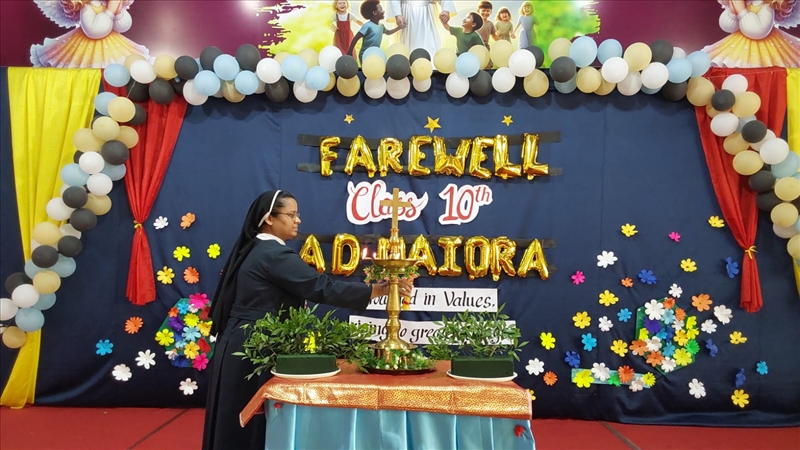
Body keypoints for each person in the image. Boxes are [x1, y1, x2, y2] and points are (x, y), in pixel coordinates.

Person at [202, 190, 414, 450]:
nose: (298, 220)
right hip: (254, 345)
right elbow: (321, 287)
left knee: (235, 421)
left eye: (297, 214)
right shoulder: (273, 254)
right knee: (250, 425)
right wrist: (379, 290)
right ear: (269, 218)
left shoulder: (255, 248)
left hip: (241, 341)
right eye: (291, 215)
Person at [31, 0, 150, 68]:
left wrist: (117, 12)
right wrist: (110, 12)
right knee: (87, 71)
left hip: (113, 45)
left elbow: (123, 26)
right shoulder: (86, 7)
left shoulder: (108, 3)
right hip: (85, 46)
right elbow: (94, 31)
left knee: (116, 69)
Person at [702, 0, 800, 68]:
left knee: (762, 71)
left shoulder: (767, 6)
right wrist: (733, 13)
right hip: (738, 45)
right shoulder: (742, 2)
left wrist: (742, 12)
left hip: (766, 46)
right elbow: (728, 27)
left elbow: (759, 31)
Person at [385, 0, 457, 58]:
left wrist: (446, 10)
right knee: (407, 46)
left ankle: (430, 67)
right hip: (407, 14)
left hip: (428, 14)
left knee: (430, 45)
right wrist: (397, 14)